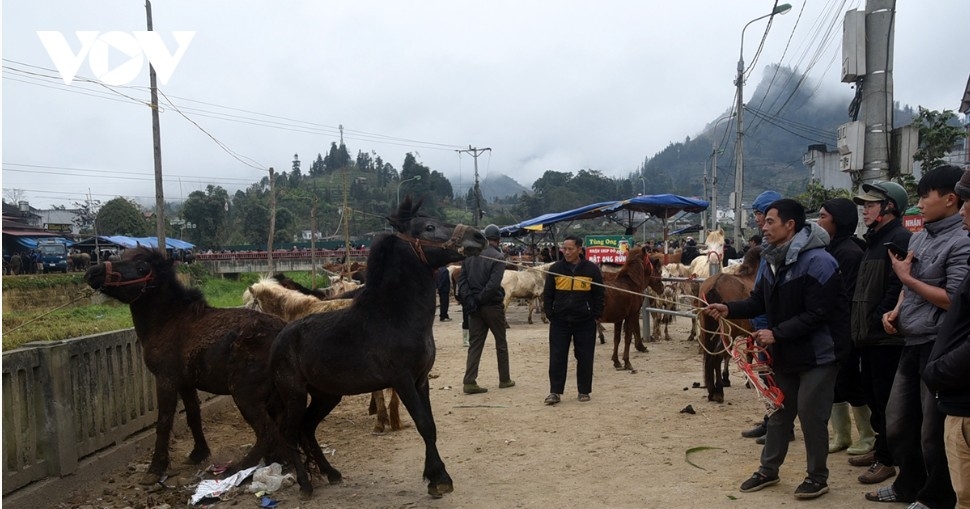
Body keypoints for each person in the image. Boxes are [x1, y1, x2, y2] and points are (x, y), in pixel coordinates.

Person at [706, 198, 848, 500]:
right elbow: (758, 301)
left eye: (770, 221)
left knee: (811, 414)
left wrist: (776, 333)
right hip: (786, 352)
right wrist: (727, 308)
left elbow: (818, 314)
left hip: (819, 354)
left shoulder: (820, 263)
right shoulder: (772, 261)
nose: (764, 226)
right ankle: (768, 470)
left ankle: (817, 477)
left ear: (790, 225)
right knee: (779, 411)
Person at [866, 165, 970, 509]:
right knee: (896, 422)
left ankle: (934, 497)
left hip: (937, 345)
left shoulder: (962, 241)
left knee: (932, 431)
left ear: (951, 199)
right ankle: (907, 485)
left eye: (926, 195)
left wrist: (907, 281)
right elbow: (909, 283)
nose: (920, 203)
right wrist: (895, 310)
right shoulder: (922, 236)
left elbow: (953, 299)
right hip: (910, 343)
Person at [849, 180, 912, 484]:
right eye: (863, 206)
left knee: (886, 401)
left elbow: (897, 286)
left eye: (871, 205)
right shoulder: (874, 239)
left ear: (890, 207)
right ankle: (880, 449)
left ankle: (888, 459)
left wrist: (877, 318)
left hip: (886, 337)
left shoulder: (899, 238)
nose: (865, 211)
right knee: (874, 398)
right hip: (870, 336)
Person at [923, 166, 970, 509]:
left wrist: (938, 370)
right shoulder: (921, 238)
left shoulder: (958, 244)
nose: (964, 211)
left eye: (968, 202)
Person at [817, 198, 874, 455]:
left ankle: (868, 434)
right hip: (829, 330)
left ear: (837, 221)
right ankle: (841, 435)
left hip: (844, 330)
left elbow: (848, 297)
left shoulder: (849, 252)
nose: (818, 222)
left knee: (852, 382)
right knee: (835, 384)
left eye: (822, 217)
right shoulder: (829, 249)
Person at [738, 190, 783, 443]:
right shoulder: (767, 251)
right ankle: (771, 419)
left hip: (770, 325)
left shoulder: (778, 252)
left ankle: (781, 425)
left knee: (773, 376)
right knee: (765, 375)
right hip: (761, 322)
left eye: (760, 214)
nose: (757, 220)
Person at [542, 235, 604, 405]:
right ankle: (555, 392)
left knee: (584, 356)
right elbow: (548, 294)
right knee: (557, 356)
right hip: (560, 321)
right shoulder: (556, 269)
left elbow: (599, 295)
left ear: (579, 250)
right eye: (564, 248)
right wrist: (550, 313)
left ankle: (584, 390)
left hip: (584, 322)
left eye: (570, 249)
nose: (566, 252)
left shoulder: (591, 270)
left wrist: (596, 315)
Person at [456, 224, 514, 395]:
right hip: (492, 306)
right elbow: (493, 285)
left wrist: (470, 301)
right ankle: (504, 379)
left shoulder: (469, 255)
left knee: (475, 344)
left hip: (474, 307)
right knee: (501, 343)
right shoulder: (498, 256)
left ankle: (469, 381)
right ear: (498, 239)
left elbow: (462, 280)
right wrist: (480, 299)